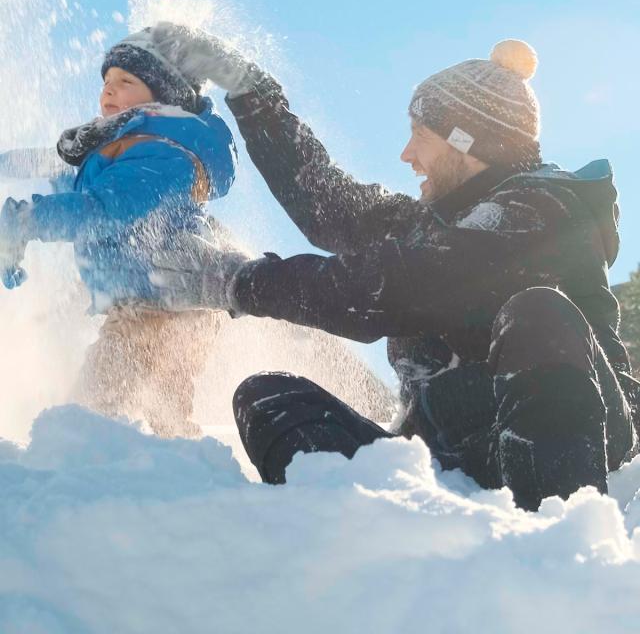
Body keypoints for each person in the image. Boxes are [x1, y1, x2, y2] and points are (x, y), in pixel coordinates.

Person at [147, 33, 639, 509]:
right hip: (448, 453)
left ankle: (546, 544)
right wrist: (250, 90)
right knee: (267, 399)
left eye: (421, 137)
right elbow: (328, 203)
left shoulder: (543, 209)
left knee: (538, 314)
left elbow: (399, 286)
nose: (407, 155)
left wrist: (242, 283)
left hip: (569, 442)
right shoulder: (433, 223)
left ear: (467, 142)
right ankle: (378, 541)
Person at [0, 23, 237, 437]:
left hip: (160, 306)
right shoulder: (120, 146)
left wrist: (25, 222)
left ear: (162, 94)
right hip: (159, 304)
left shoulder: (164, 154)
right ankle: (178, 475)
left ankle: (120, 474)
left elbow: (103, 210)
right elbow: (54, 170)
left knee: (89, 417)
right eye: (107, 80)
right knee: (162, 417)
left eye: (125, 81)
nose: (108, 90)